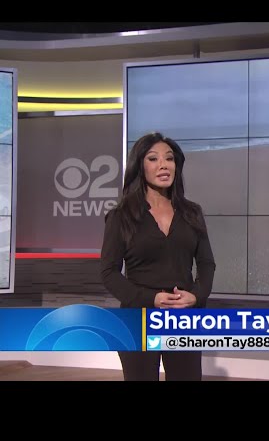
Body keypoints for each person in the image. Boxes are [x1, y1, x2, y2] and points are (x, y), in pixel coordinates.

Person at [100, 132, 216, 381]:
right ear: (140, 167)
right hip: (138, 319)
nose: (164, 165)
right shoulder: (121, 216)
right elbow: (109, 272)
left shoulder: (192, 213)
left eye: (169, 158)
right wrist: (151, 298)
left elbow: (206, 263)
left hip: (183, 319)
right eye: (153, 159)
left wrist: (196, 295)